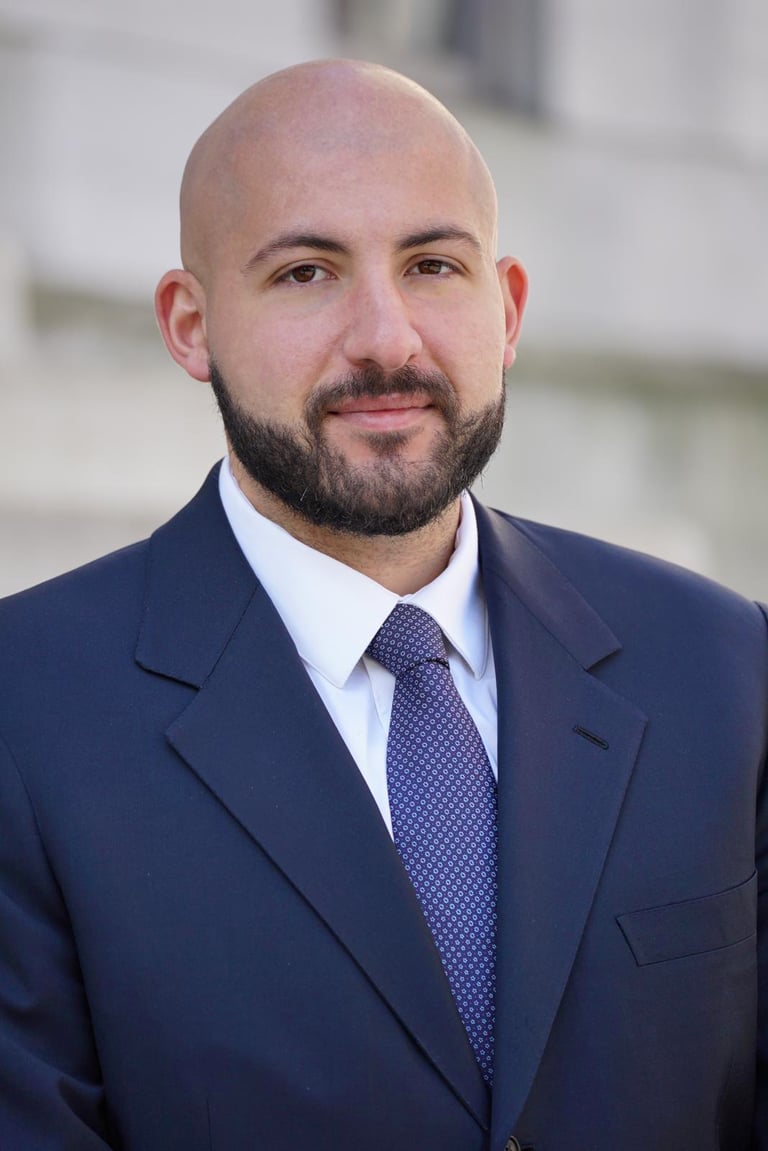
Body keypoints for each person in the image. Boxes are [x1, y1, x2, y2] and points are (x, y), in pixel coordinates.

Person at [0, 58, 766, 1151]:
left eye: (433, 265)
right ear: (190, 325)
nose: (387, 338)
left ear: (507, 308)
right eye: (306, 272)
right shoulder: (25, 713)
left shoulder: (725, 669)